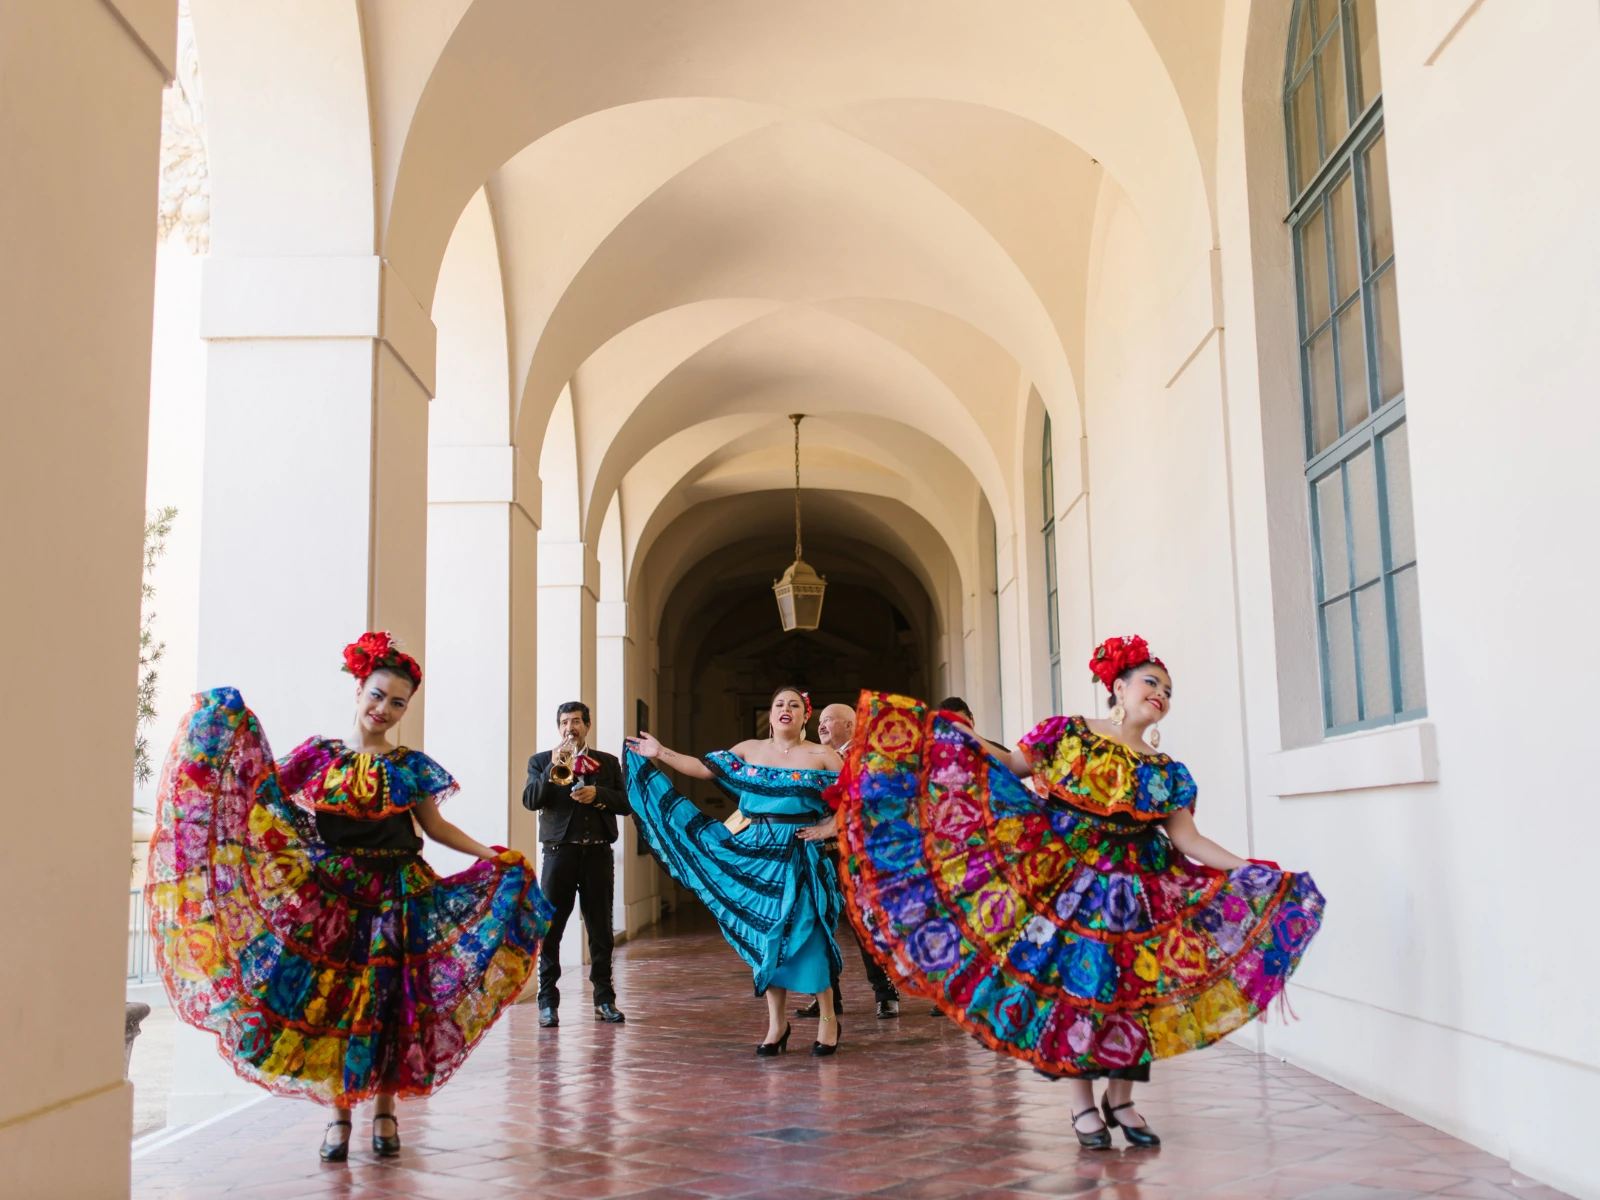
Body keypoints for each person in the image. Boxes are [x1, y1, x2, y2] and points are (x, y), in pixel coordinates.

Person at [835, 636, 1325, 1149]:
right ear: (1118, 687)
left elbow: (1189, 840)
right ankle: (1081, 1106)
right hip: (1067, 883)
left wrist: (1252, 870)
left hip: (1140, 892)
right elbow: (1013, 767)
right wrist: (959, 740)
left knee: (1132, 995)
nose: (1160, 693)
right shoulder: (1068, 735)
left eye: (1169, 690)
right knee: (1082, 994)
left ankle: (1123, 1099)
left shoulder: (1168, 773)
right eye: (1151, 682)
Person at [145, 632, 551, 1162]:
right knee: (335, 1006)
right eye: (377, 695)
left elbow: (435, 828)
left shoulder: (409, 766)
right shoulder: (318, 758)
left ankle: (384, 1110)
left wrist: (490, 855)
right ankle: (338, 1116)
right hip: (331, 903)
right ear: (359, 690)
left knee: (389, 1006)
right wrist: (227, 746)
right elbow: (265, 797)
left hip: (398, 897)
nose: (384, 708)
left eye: (398, 702)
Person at [624, 686, 845, 1057]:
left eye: (794, 705)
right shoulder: (749, 750)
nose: (785, 709)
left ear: (806, 716)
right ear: (771, 714)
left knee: (810, 936)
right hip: (756, 854)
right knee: (766, 938)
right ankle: (777, 1024)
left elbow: (858, 797)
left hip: (801, 854)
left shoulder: (822, 755)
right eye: (778, 704)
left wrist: (828, 828)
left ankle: (828, 1020)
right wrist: (660, 753)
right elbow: (703, 768)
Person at [522, 701, 630, 1027]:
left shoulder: (608, 763)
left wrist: (598, 794)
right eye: (565, 722)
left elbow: (626, 804)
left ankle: (604, 1000)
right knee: (550, 929)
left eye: (577, 721)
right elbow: (530, 800)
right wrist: (551, 768)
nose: (570, 727)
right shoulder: (541, 761)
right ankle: (547, 1003)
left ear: (587, 726)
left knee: (601, 931)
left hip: (598, 854)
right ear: (558, 728)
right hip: (559, 854)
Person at [794, 702, 901, 1021]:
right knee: (817, 923)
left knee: (863, 923)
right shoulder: (813, 758)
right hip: (817, 851)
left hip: (857, 854)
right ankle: (828, 997)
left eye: (829, 720)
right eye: (821, 721)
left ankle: (885, 994)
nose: (822, 726)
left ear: (851, 726)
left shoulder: (868, 757)